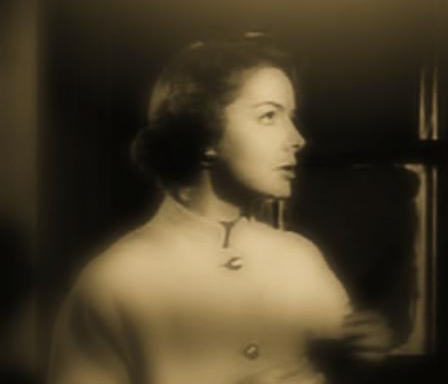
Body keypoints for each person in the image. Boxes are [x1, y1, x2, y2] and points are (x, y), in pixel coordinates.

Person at [48, 37, 393, 384]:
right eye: (269, 116)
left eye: (290, 117)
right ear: (205, 135)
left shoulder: (300, 258)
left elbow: (347, 363)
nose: (297, 139)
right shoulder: (114, 281)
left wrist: (363, 354)